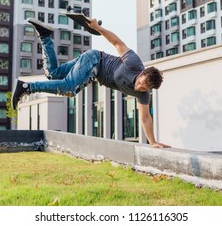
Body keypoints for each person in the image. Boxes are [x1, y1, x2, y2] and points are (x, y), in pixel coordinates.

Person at [12, 18, 170, 148]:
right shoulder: (134, 63)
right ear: (142, 73)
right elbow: (116, 43)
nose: (139, 88)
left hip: (91, 66)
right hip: (95, 61)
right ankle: (27, 87)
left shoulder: (143, 94)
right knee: (69, 88)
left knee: (54, 74)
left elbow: (145, 117)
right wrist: (97, 28)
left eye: (145, 88)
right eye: (141, 83)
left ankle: (45, 35)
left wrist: (153, 142)